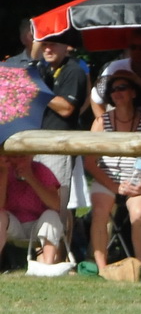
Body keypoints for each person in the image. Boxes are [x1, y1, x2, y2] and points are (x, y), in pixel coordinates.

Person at [84, 70, 141, 266]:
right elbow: (89, 162)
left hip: (138, 182)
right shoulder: (101, 122)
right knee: (99, 211)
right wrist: (115, 187)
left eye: (122, 88)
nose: (117, 92)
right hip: (107, 179)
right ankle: (102, 267)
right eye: (113, 90)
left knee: (139, 213)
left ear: (134, 93)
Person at [32, 34, 90, 236]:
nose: (47, 49)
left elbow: (66, 108)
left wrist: (37, 91)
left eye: (52, 45)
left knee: (58, 202)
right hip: (36, 143)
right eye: (44, 45)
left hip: (58, 145)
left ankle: (59, 255)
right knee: (38, 200)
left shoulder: (74, 71)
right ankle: (43, 253)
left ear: (65, 46)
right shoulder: (44, 70)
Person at [0, 152, 65, 265]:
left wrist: (30, 177)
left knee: (51, 215)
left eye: (23, 156)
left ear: (31, 156)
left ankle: (48, 264)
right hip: (14, 224)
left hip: (38, 223)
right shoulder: (4, 170)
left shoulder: (41, 170)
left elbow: (56, 205)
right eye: (14, 157)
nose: (19, 161)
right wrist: (4, 173)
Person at [93, 31, 141, 117]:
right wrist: (105, 123)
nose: (137, 52)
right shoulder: (115, 68)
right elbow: (96, 98)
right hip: (120, 126)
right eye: (133, 47)